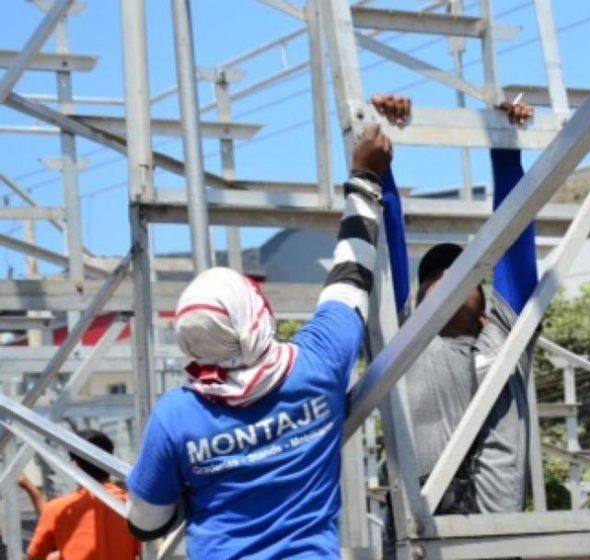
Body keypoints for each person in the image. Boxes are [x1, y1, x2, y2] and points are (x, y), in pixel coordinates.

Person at [124, 124, 395, 558]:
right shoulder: (317, 363)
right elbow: (351, 275)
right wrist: (365, 178)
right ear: (256, 314)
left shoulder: (178, 417)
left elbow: (144, 522)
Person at [369, 94, 538, 515]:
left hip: (496, 537)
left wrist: (505, 143)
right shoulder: (403, 337)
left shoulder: (506, 329)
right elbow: (387, 237)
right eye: (435, 276)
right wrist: (382, 139)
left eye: (463, 274)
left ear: (485, 300)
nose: (449, 279)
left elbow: (514, 232)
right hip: (423, 530)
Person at [27, 429, 140, 560]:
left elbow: (34, 556)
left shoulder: (58, 509)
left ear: (75, 464)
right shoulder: (132, 507)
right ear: (110, 462)